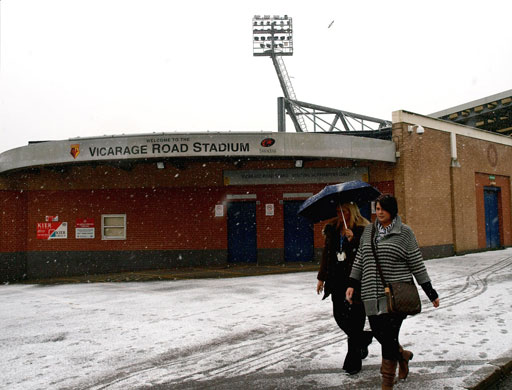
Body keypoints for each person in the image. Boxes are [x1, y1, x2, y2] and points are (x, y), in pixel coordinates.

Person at [346, 194, 440, 390]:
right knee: (382, 335)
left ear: (392, 210)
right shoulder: (369, 231)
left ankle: (386, 383)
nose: (379, 212)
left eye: (383, 209)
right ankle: (402, 356)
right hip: (371, 294)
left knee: (388, 337)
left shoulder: (405, 233)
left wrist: (429, 291)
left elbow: (416, 263)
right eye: (377, 209)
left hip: (395, 295)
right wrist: (352, 283)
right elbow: (360, 259)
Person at [316, 202, 373, 375]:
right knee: (339, 316)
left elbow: (367, 253)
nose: (341, 216)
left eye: (345, 212)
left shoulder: (363, 229)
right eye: (339, 212)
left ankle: (353, 363)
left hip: (355, 280)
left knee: (356, 318)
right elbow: (327, 255)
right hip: (336, 280)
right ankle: (363, 339)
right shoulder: (332, 229)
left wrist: (353, 239)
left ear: (352, 213)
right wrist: (321, 278)